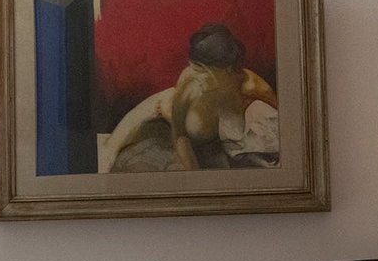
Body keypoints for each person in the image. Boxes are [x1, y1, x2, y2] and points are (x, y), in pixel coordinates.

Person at [99, 23, 279, 173]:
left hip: (211, 144)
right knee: (110, 152)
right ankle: (108, 151)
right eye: (194, 68)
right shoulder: (189, 79)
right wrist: (193, 175)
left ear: (226, 70)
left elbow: (283, 122)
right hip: (162, 111)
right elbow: (180, 135)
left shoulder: (249, 85)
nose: (196, 77)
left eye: (203, 72)